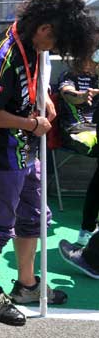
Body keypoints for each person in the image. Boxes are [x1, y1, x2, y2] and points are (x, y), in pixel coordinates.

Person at [0, 0, 98, 326]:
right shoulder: (2, 54)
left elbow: (31, 83)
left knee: (35, 218)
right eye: (55, 43)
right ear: (44, 29)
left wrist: (46, 97)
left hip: (28, 150)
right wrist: (31, 124)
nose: (53, 50)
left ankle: (27, 286)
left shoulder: (32, 45)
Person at [56, 55, 99, 246]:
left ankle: (87, 230)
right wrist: (81, 96)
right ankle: (88, 230)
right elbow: (67, 93)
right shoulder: (69, 75)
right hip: (76, 130)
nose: (92, 62)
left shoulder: (97, 75)